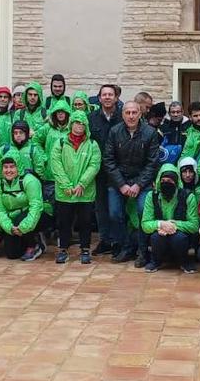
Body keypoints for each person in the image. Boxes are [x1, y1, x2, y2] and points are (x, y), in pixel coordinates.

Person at [103, 101, 161, 265]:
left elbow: (152, 163)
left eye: (134, 112)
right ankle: (125, 248)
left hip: (142, 182)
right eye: (127, 113)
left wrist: (138, 184)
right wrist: (121, 184)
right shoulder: (114, 132)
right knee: (115, 214)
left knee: (144, 211)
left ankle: (143, 251)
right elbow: (108, 160)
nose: (131, 116)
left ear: (140, 114)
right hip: (118, 181)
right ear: (122, 115)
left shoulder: (150, 133)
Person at [50, 111, 100, 264]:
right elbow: (56, 165)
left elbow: (94, 165)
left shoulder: (92, 145)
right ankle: (63, 249)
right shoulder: (59, 143)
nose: (80, 126)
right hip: (65, 192)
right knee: (64, 222)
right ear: (71, 124)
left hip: (85, 192)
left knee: (85, 222)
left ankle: (85, 249)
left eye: (83, 124)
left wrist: (82, 183)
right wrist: (66, 184)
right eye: (77, 123)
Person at [141, 164, 200, 273]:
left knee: (179, 238)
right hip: (160, 233)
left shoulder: (188, 196)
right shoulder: (152, 196)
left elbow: (194, 225)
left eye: (170, 180)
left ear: (177, 182)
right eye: (163, 180)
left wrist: (174, 225)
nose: (166, 183)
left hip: (180, 234)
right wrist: (161, 224)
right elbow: (145, 224)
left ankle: (184, 262)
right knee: (156, 237)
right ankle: (156, 261)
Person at [88, 85, 123, 255]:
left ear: (116, 98)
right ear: (99, 98)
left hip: (119, 170)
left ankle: (118, 241)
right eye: (104, 95)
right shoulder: (91, 118)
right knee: (100, 207)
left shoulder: (123, 117)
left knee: (116, 209)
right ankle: (105, 240)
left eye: (111, 94)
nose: (107, 97)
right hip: (98, 170)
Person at [0, 155, 44, 260]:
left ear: (18, 167)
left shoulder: (30, 180)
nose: (8, 170)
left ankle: (35, 244)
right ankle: (24, 242)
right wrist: (9, 228)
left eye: (12, 167)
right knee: (12, 254)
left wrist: (24, 227)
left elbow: (36, 206)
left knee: (20, 219)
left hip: (36, 216)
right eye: (5, 167)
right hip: (12, 221)